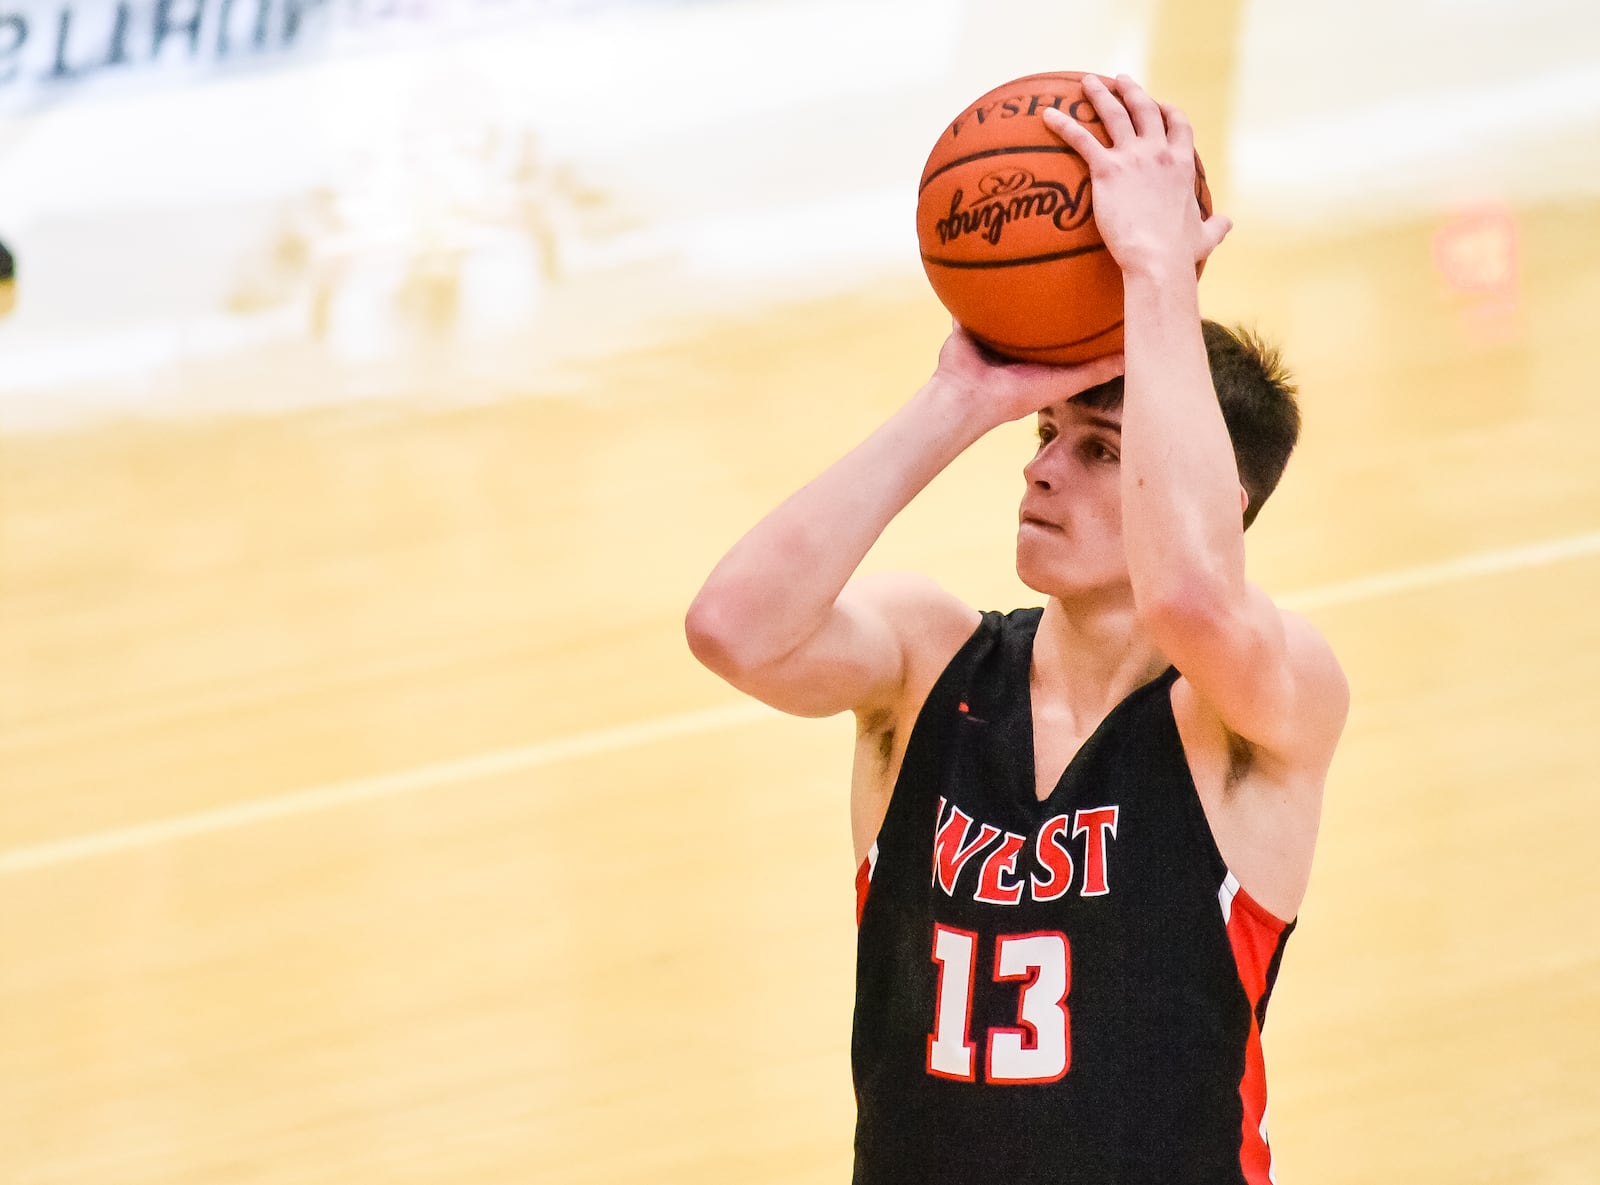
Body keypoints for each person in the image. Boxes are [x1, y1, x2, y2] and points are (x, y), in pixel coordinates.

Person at [685, 74, 1348, 1185]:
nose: (1040, 466)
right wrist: (959, 397)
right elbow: (731, 629)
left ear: (1207, 492)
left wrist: (1153, 280)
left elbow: (1189, 594)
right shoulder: (927, 658)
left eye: (1099, 446)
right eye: (1045, 432)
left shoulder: (1256, 712)